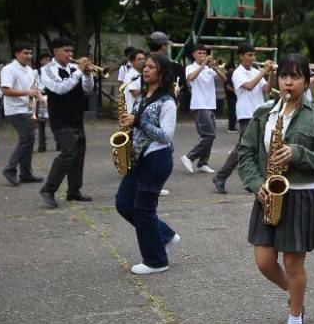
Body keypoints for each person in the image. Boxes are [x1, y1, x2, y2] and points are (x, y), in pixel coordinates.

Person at [237, 55, 314, 324]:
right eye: (283, 76)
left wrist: (298, 153)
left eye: (295, 77)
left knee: (293, 263)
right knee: (264, 262)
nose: (288, 82)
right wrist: (256, 184)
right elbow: (246, 154)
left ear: (306, 81)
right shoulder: (264, 113)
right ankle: (297, 297)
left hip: (302, 195)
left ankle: (295, 318)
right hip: (268, 193)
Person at [114, 53, 179, 274]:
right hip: (139, 157)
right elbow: (137, 125)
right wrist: (128, 125)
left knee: (143, 209)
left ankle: (156, 261)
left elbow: (166, 135)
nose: (146, 70)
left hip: (157, 158)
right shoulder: (142, 97)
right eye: (145, 66)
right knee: (123, 203)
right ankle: (166, 236)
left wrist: (138, 121)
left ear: (161, 72)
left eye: (151, 67)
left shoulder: (167, 101)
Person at [37, 37, 95, 209]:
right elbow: (59, 88)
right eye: (66, 51)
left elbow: (87, 91)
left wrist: (88, 74)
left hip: (77, 118)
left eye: (72, 51)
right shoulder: (46, 70)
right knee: (68, 153)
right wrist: (79, 72)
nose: (71, 54)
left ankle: (74, 190)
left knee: (79, 155)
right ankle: (48, 189)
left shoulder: (75, 68)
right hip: (60, 119)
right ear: (56, 52)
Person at [213, 46, 271, 194]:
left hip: (259, 113)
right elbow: (250, 86)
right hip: (246, 114)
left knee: (257, 148)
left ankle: (250, 180)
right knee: (243, 148)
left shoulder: (256, 72)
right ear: (241, 56)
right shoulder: (237, 73)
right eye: (250, 55)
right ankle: (221, 176)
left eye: (254, 55)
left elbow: (267, 90)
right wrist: (264, 70)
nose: (253, 58)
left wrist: (273, 74)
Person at [0, 43, 43, 187]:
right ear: (17, 54)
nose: (29, 56)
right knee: (26, 139)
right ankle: (10, 169)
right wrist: (28, 93)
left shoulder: (29, 70)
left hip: (28, 108)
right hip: (15, 109)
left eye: (30, 53)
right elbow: (6, 90)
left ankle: (26, 173)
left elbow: (33, 88)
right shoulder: (9, 69)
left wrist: (39, 96)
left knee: (29, 140)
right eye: (26, 53)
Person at [180, 45, 225, 175]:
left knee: (209, 137)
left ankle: (203, 163)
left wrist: (215, 67)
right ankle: (189, 157)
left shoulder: (210, 69)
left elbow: (224, 79)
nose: (203, 55)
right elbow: (190, 78)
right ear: (194, 55)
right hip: (199, 105)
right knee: (209, 135)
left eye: (204, 53)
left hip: (210, 105)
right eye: (200, 53)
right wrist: (204, 63)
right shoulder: (190, 67)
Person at [35, 53, 52, 152]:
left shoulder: (54, 72)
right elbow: (33, 84)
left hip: (53, 97)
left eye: (49, 60)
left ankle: (59, 144)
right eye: (46, 60)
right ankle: (42, 145)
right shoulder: (36, 72)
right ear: (41, 61)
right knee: (41, 122)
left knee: (55, 121)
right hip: (42, 98)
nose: (48, 62)